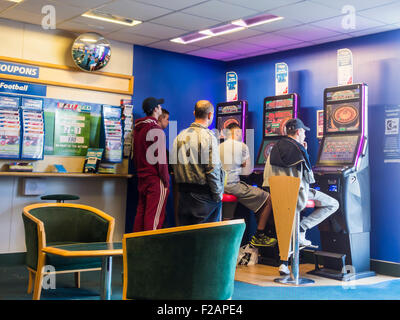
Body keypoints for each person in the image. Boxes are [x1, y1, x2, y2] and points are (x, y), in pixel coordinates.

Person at [263, 118, 339, 276]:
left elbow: (266, 178)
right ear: (298, 132)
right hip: (298, 196)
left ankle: (283, 263)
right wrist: (306, 153)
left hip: (277, 196)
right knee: (333, 203)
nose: (304, 134)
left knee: (286, 223)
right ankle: (302, 228)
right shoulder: (299, 150)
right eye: (303, 131)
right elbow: (309, 179)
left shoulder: (274, 149)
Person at [219, 122, 277, 247]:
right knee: (268, 198)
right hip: (234, 186)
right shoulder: (242, 146)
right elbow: (247, 172)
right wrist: (240, 166)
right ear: (237, 132)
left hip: (220, 187)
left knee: (226, 217)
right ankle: (259, 235)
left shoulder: (218, 147)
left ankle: (224, 245)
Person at [172, 100, 225, 226]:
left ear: (194, 113)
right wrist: (218, 195)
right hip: (204, 198)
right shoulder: (208, 137)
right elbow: (213, 169)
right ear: (210, 115)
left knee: (187, 237)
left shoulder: (179, 136)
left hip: (183, 196)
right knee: (206, 240)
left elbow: (174, 165)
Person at [132, 97, 170, 231]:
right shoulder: (156, 129)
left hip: (142, 177)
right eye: (159, 107)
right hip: (155, 179)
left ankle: (136, 248)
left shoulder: (138, 129)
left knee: (141, 215)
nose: (160, 109)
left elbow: (135, 155)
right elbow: (161, 161)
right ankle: (151, 249)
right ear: (155, 109)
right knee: (154, 218)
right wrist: (165, 181)